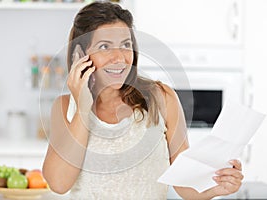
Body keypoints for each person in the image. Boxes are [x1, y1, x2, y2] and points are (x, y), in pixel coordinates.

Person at [43, 2, 244, 199]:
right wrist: (83, 108)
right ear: (80, 55)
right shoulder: (64, 107)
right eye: (105, 46)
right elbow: (58, 184)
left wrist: (217, 186)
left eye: (125, 45)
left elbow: (184, 183)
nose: (119, 57)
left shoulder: (162, 98)